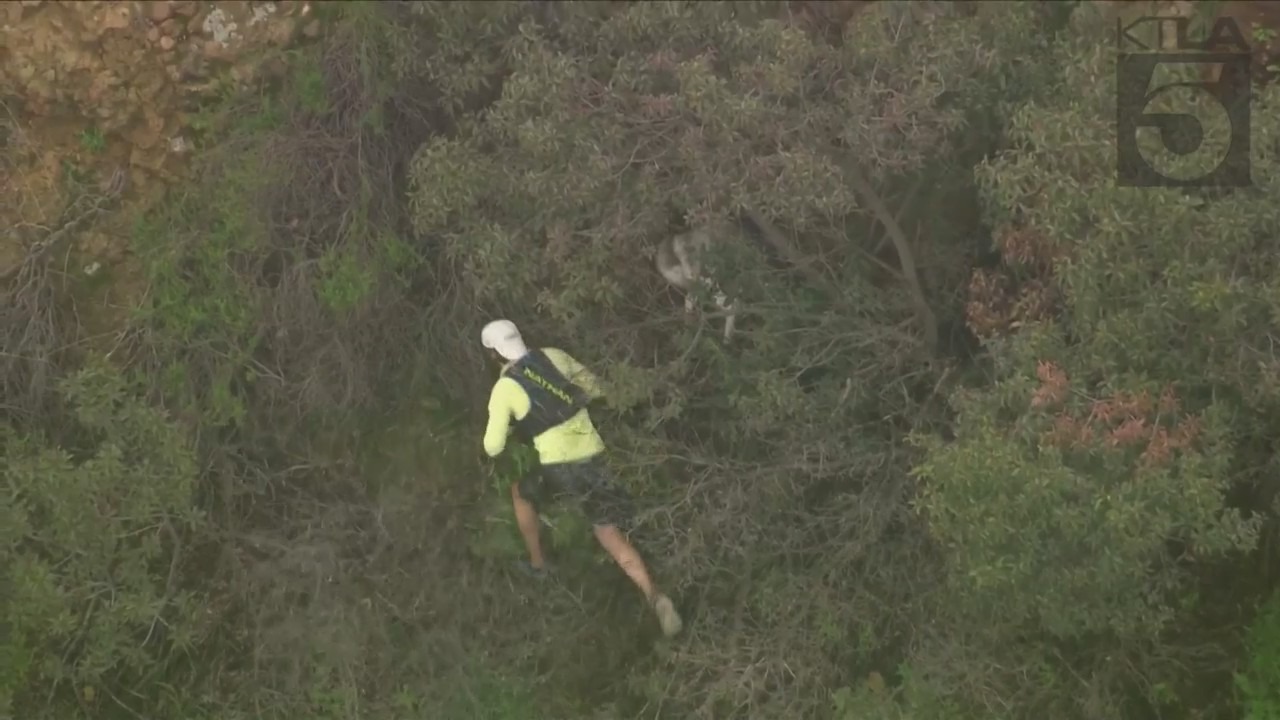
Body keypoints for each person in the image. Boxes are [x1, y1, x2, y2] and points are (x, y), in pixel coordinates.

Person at [480, 318, 683, 638]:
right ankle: (654, 596)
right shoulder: (554, 356)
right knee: (608, 530)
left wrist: (510, 421)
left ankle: (538, 564)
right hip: (594, 456)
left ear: (494, 355)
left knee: (521, 492)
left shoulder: (505, 388)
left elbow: (492, 447)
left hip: (559, 469)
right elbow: (597, 388)